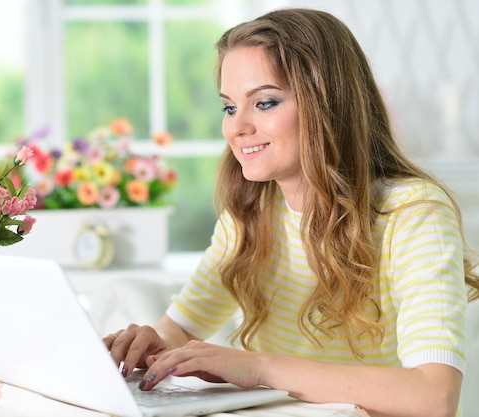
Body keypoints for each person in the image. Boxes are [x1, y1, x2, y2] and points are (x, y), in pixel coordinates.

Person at [104, 8, 479, 417]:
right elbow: (180, 328)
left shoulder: (413, 213)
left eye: (264, 102)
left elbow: (434, 397)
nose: (237, 127)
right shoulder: (251, 210)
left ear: (328, 105)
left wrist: (259, 367)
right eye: (229, 107)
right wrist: (151, 342)